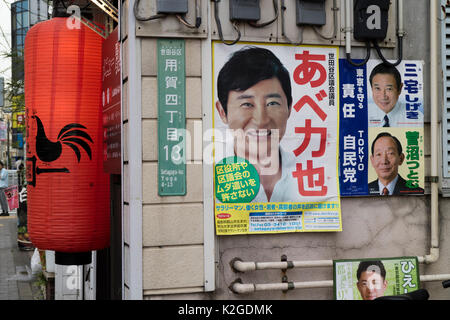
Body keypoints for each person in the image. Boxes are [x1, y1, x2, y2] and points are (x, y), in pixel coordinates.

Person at [215, 46, 297, 202]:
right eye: (247, 104)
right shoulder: (209, 174)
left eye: (272, 103)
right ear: (222, 112)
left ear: (289, 107)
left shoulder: (309, 172)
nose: (261, 120)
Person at [368, 62, 422, 127]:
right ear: (371, 88)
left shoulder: (415, 118)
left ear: (399, 89)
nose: (383, 96)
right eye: (377, 88)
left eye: (389, 89)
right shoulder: (363, 115)